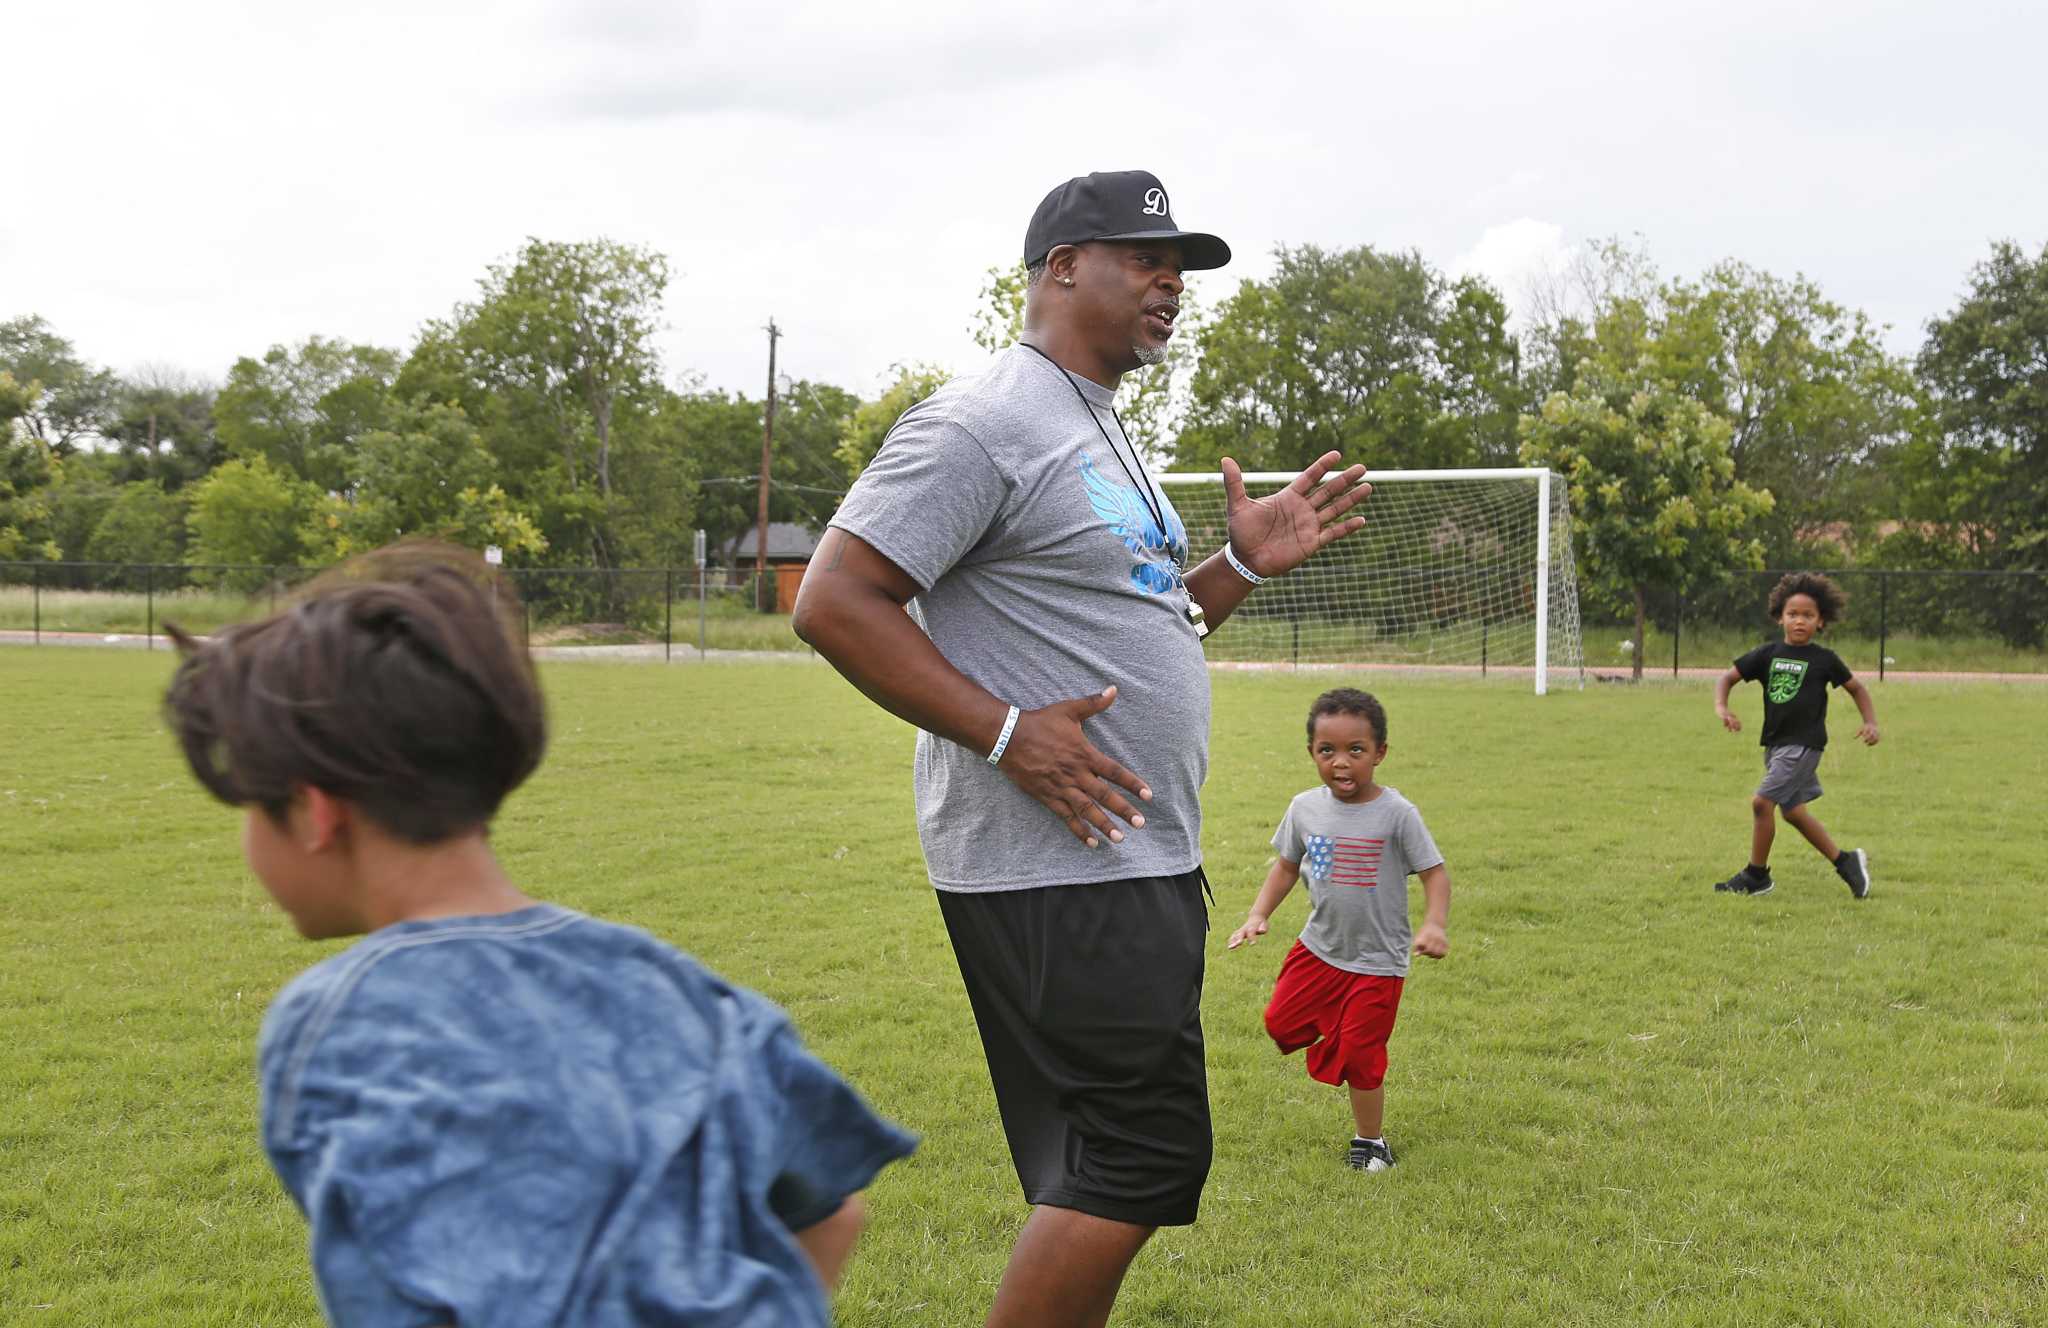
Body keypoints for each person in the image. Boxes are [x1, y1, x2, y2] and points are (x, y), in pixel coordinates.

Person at [791, 169, 1373, 1328]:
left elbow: (1134, 623)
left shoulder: (1093, 424)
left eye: (1179, 268)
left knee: (1100, 1157)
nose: (1170, 284)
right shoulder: (984, 418)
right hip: (1059, 859)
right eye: (1143, 258)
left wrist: (1240, 564)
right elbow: (834, 597)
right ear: (1062, 267)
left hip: (1124, 852)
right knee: (1136, 1154)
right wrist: (1007, 733)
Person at [162, 543, 915, 1328]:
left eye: (248, 807)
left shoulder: (338, 1024)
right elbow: (831, 1216)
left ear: (317, 812)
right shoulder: (674, 985)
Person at [1225, 688, 1450, 1172]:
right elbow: (1286, 866)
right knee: (1279, 1024)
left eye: (1356, 750)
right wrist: (1256, 914)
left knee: (1361, 1056)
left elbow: (1435, 872)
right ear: (1311, 753)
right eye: (1327, 751)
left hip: (1377, 962)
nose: (1341, 763)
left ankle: (1370, 1143)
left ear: (1380, 753)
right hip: (1319, 949)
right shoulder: (1305, 809)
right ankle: (1342, 1038)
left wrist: (1434, 924)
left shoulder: (1397, 814)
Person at [1712, 570, 1880, 898]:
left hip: (1804, 745)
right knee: (1793, 813)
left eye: (1808, 615)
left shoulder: (1824, 660)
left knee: (1762, 803)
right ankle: (1846, 862)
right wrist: (1722, 708)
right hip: (1776, 745)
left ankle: (1756, 876)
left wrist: (1870, 721)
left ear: (1820, 621)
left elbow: (1857, 689)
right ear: (1780, 618)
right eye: (1793, 614)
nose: (1799, 621)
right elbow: (1726, 678)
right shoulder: (1767, 655)